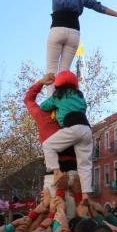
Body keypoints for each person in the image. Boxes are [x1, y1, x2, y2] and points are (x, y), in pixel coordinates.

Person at [24, 73, 80, 213]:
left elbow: (28, 99)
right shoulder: (72, 113)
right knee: (75, 218)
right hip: (73, 171)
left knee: (54, 215)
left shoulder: (40, 114)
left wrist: (41, 82)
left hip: (53, 174)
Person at [40, 70, 93, 198]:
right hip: (86, 129)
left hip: (72, 127)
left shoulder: (58, 96)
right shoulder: (80, 97)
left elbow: (43, 106)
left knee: (48, 146)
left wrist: (56, 107)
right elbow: (84, 108)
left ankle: (56, 171)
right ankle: (86, 193)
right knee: (84, 163)